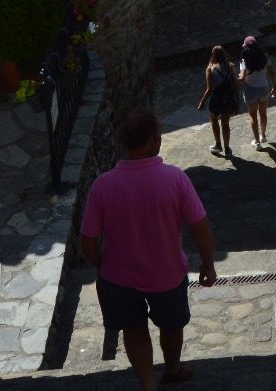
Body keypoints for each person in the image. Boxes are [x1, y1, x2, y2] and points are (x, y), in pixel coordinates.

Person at [79, 108, 217, 388]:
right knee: (171, 326)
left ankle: (148, 384)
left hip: (118, 278)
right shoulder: (175, 179)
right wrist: (207, 263)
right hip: (166, 274)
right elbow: (200, 226)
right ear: (154, 140)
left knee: (133, 328)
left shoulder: (102, 186)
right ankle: (173, 369)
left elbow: (87, 240)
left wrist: (103, 266)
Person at [195, 45, 239, 158]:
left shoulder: (210, 68)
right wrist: (237, 101)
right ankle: (227, 148)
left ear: (213, 55)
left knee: (214, 120)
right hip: (228, 98)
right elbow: (235, 85)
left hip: (217, 99)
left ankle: (218, 144)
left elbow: (210, 88)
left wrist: (202, 101)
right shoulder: (231, 67)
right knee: (225, 123)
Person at [239, 35, 276, 151]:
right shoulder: (265, 57)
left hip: (250, 90)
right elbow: (272, 73)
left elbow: (242, 77)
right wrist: (275, 86)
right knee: (263, 113)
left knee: (253, 116)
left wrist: (235, 78)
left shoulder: (244, 60)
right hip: (264, 88)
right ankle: (263, 135)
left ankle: (257, 142)